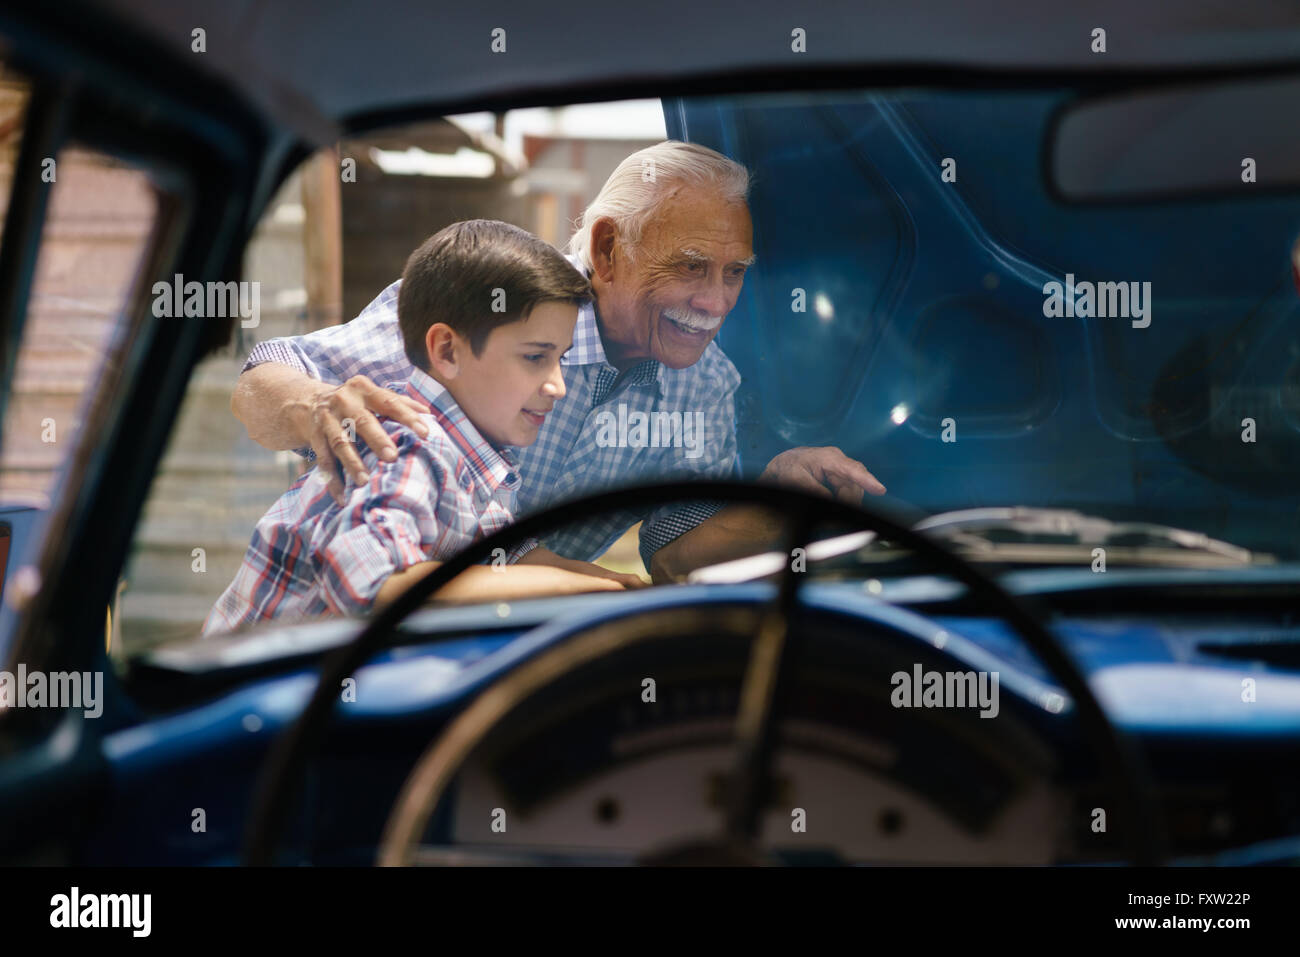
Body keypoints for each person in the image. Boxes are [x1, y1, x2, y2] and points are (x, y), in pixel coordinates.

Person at [232, 141, 886, 584]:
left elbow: (673, 548)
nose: (715, 302)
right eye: (691, 267)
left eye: (733, 273)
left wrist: (776, 500)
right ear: (607, 251)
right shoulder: (488, 306)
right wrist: (316, 407)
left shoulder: (710, 386)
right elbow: (261, 382)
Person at [203, 220, 644, 635]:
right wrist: (568, 591)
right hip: (252, 696)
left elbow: (508, 561)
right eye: (535, 357)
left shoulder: (478, 464)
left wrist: (616, 585)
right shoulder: (409, 445)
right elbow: (375, 584)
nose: (558, 386)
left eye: (561, 359)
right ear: (447, 351)